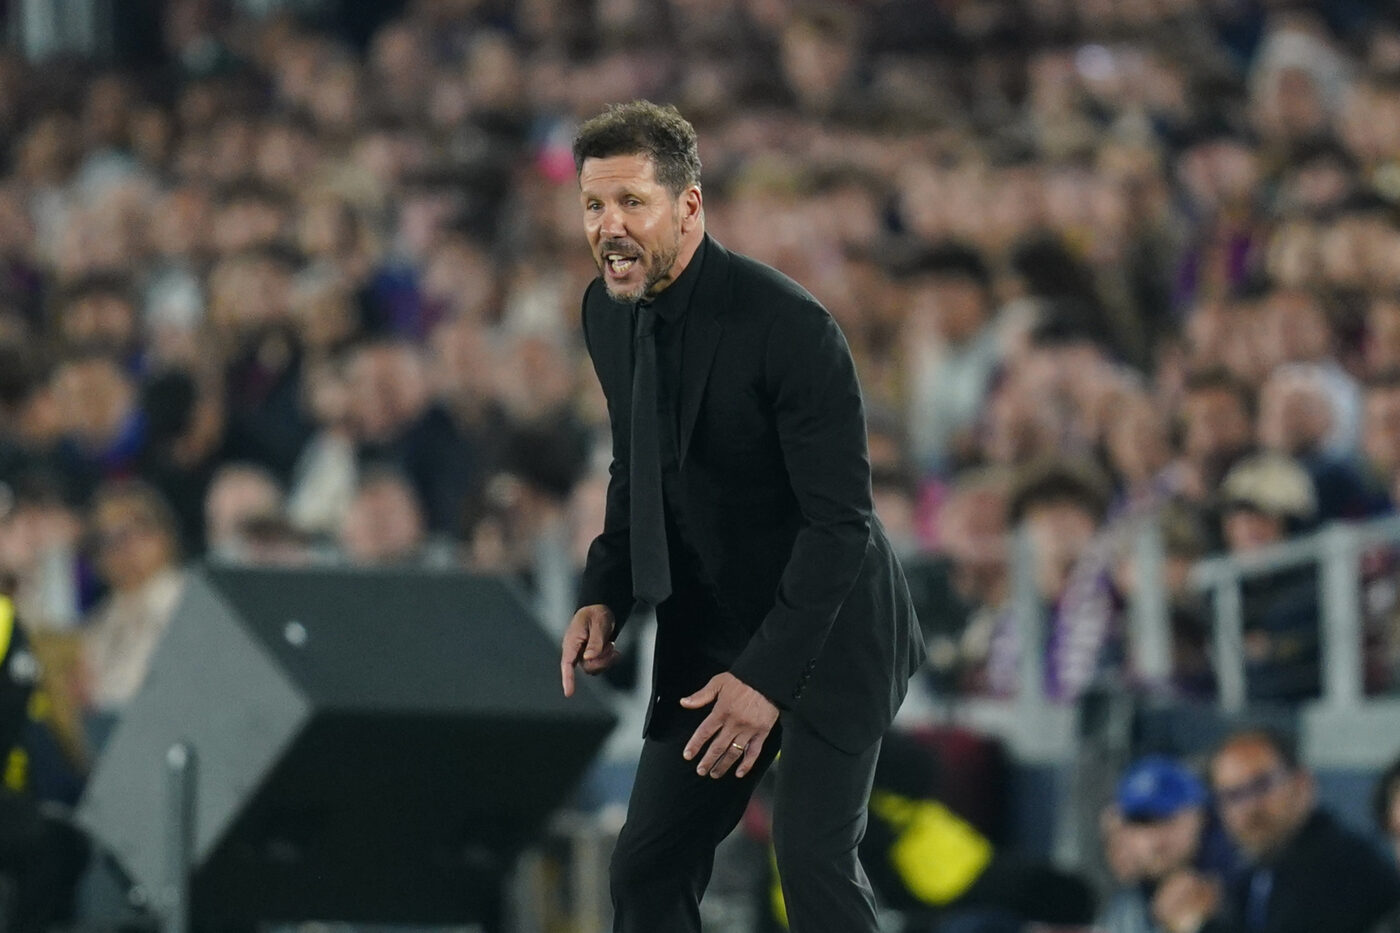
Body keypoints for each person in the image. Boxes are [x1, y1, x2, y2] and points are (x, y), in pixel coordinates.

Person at [558, 101, 924, 933]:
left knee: (812, 863)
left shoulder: (791, 328)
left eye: (632, 203)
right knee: (646, 868)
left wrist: (766, 678)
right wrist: (605, 591)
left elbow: (841, 525)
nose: (609, 227)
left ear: (689, 205)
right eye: (593, 205)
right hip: (713, 631)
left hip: (832, 630)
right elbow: (636, 467)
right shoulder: (605, 312)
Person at [1153, 728, 1400, 933]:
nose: (1249, 808)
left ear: (1302, 784)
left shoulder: (1342, 864)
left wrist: (1197, 926)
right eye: (1232, 796)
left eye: (1261, 786)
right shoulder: (1262, 866)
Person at [1098, 756, 1236, 933]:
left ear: (1200, 817)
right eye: (1143, 822)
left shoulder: (1234, 878)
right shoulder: (1129, 899)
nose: (1156, 838)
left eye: (1167, 819)